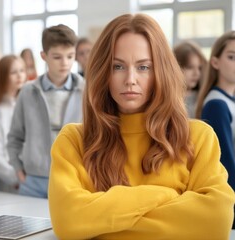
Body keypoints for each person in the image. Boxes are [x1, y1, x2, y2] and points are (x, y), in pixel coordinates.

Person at [48, 14, 235, 239]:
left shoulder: (198, 137)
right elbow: (68, 221)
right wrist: (166, 196)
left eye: (144, 67)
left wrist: (100, 224)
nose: (130, 79)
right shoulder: (74, 140)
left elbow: (216, 222)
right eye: (117, 66)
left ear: (161, 72)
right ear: (102, 72)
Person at [7, 24, 84, 198]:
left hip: (73, 178)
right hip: (32, 181)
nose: (65, 63)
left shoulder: (86, 91)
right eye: (57, 57)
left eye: (70, 56)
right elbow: (14, 137)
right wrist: (19, 170)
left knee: (65, 225)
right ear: (44, 56)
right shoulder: (27, 92)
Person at [195, 31, 235, 196]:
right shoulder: (216, 105)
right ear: (215, 62)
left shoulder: (229, 100)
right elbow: (225, 166)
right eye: (232, 57)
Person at [0, 55, 27, 192]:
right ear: (3, 77)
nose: (19, 75)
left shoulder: (26, 105)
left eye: (21, 70)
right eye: (13, 72)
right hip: (13, 185)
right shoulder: (1, 112)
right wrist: (15, 177)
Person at [173, 41, 207, 118]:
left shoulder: (203, 97)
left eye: (199, 68)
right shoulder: (168, 98)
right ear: (176, 67)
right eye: (190, 67)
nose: (196, 73)